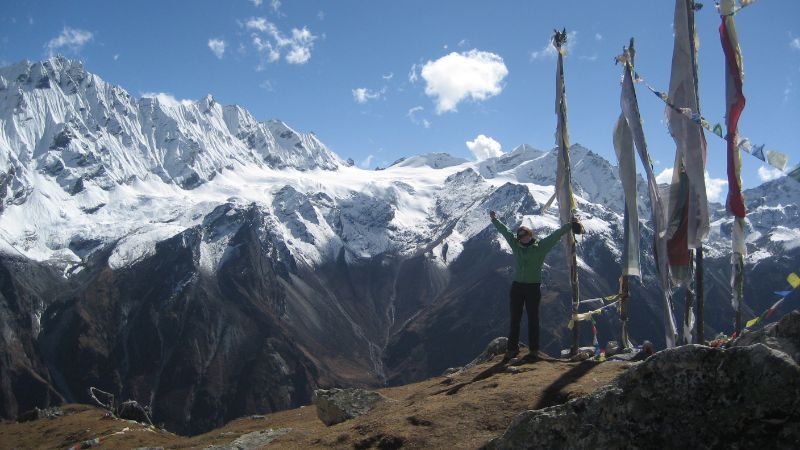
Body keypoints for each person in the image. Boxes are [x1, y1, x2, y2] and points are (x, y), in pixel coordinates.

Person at [489, 210, 584, 361]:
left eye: (523, 235)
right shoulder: (516, 245)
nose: (520, 238)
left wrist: (570, 226)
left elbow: (555, 235)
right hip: (517, 287)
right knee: (515, 319)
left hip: (532, 288)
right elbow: (505, 232)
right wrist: (495, 220)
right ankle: (512, 349)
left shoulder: (540, 247)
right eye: (518, 236)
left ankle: (534, 350)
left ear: (530, 235)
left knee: (533, 318)